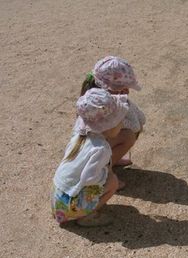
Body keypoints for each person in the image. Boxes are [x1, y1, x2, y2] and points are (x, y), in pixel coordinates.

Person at [51, 88, 129, 227]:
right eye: (118, 121)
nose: (122, 124)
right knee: (112, 182)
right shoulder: (100, 149)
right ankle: (87, 216)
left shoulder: (78, 136)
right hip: (69, 206)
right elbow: (90, 179)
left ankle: (72, 210)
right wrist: (106, 173)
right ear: (106, 126)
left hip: (57, 200)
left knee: (106, 178)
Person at [78, 56, 146, 168]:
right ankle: (103, 171)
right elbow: (135, 126)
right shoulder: (100, 106)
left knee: (128, 133)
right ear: (107, 87)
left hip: (97, 145)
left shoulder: (100, 99)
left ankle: (110, 158)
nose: (127, 91)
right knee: (128, 137)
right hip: (93, 151)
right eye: (123, 88)